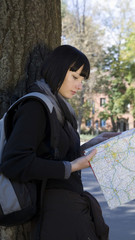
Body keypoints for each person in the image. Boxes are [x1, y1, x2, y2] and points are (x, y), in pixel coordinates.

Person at [1, 45, 119, 240]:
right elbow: (15, 162)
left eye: (82, 80)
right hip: (57, 214)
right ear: (57, 68)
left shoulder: (60, 109)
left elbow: (54, 155)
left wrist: (91, 146)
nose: (79, 86)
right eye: (75, 77)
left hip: (70, 206)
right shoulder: (36, 107)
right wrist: (71, 166)